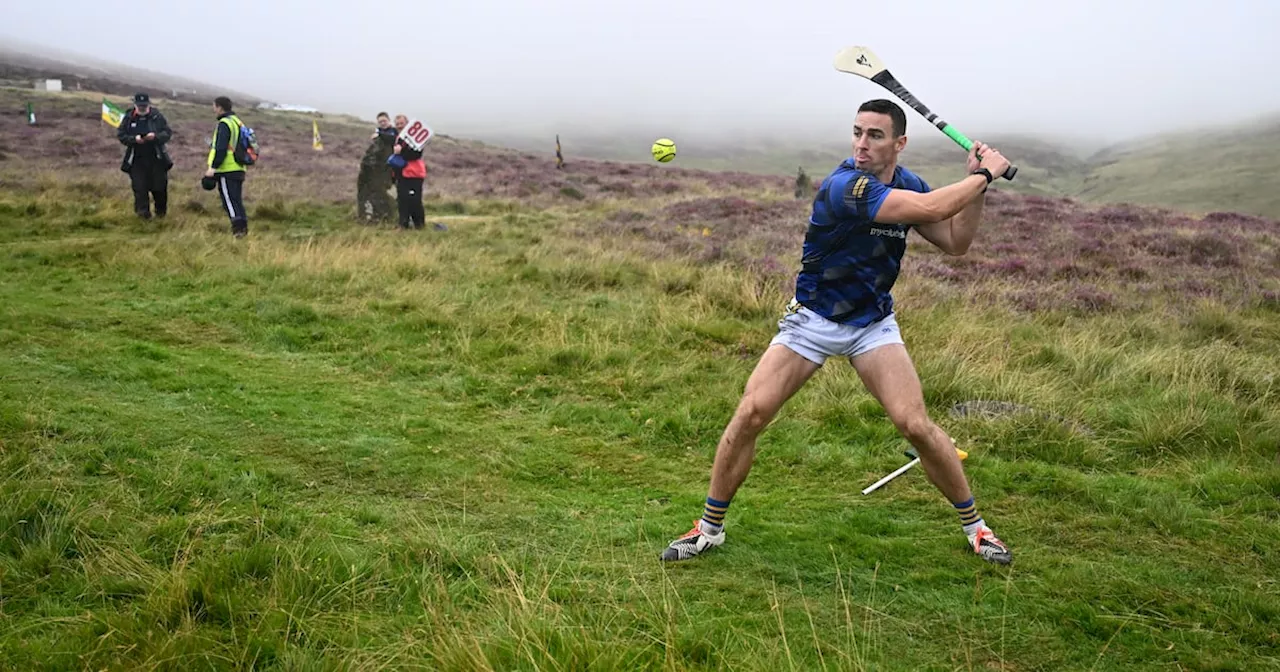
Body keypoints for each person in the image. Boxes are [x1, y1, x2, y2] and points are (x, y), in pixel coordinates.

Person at [660, 98, 1015, 566]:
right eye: (857, 132)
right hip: (812, 321)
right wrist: (984, 174)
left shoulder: (908, 185)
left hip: (872, 325)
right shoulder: (845, 186)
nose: (862, 144)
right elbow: (932, 206)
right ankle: (708, 529)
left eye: (875, 135)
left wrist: (979, 188)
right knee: (750, 413)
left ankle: (977, 528)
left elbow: (955, 242)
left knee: (916, 425)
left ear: (899, 143)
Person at [116, 92, 173, 219]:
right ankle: (143, 216)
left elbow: (167, 133)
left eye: (144, 105)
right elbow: (121, 135)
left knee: (159, 188)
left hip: (157, 158)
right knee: (139, 188)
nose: (142, 108)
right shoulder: (128, 117)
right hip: (136, 159)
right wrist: (134, 139)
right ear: (135, 104)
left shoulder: (157, 116)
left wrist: (155, 137)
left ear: (149, 104)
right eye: (139, 105)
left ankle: (160, 215)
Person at [204, 96, 250, 238]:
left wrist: (213, 167)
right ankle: (243, 228)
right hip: (239, 167)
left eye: (214, 106)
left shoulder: (224, 123)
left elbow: (222, 148)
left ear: (219, 107)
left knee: (229, 201)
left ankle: (237, 231)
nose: (214, 110)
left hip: (226, 168)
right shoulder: (237, 122)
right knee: (236, 199)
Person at [356, 112, 399, 223]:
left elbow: (393, 139)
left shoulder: (394, 131)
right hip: (376, 167)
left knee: (389, 191)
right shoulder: (378, 132)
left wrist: (380, 135)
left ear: (389, 120)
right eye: (380, 122)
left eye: (384, 121)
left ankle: (390, 213)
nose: (382, 123)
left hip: (390, 167)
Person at [389, 114, 427, 230]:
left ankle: (419, 225)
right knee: (402, 200)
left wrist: (401, 151)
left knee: (414, 200)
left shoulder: (415, 138)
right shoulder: (399, 137)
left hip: (414, 174)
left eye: (402, 123)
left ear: (407, 124)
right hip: (402, 174)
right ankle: (403, 225)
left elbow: (416, 154)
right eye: (397, 124)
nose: (399, 126)